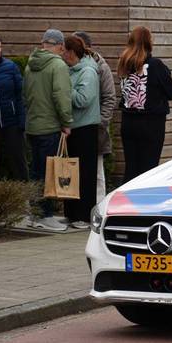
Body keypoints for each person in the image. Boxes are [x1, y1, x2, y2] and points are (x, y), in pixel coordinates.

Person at [24, 29, 73, 231]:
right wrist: (67, 121)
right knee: (49, 173)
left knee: (36, 171)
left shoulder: (30, 64)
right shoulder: (57, 65)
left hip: (33, 125)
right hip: (50, 126)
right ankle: (46, 215)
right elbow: (61, 96)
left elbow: (25, 94)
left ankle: (34, 214)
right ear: (60, 45)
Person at [118, 26, 172, 182]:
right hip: (151, 124)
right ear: (149, 42)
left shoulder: (124, 64)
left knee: (131, 169)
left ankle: (127, 203)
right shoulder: (156, 65)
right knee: (148, 171)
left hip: (128, 122)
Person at [74, 31, 117, 202]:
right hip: (77, 128)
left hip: (95, 128)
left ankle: (98, 206)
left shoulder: (101, 67)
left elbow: (109, 98)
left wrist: (100, 122)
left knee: (97, 172)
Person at [62, 35, 100, 228]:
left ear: (72, 52)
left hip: (85, 129)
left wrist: (65, 88)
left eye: (65, 51)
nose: (62, 55)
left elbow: (83, 100)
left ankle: (84, 216)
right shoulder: (71, 70)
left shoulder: (88, 72)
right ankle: (70, 213)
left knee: (85, 174)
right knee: (71, 173)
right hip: (73, 128)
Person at [0, 35, 28, 180]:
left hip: (12, 122)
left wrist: (21, 120)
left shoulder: (10, 67)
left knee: (18, 161)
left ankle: (25, 195)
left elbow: (20, 94)